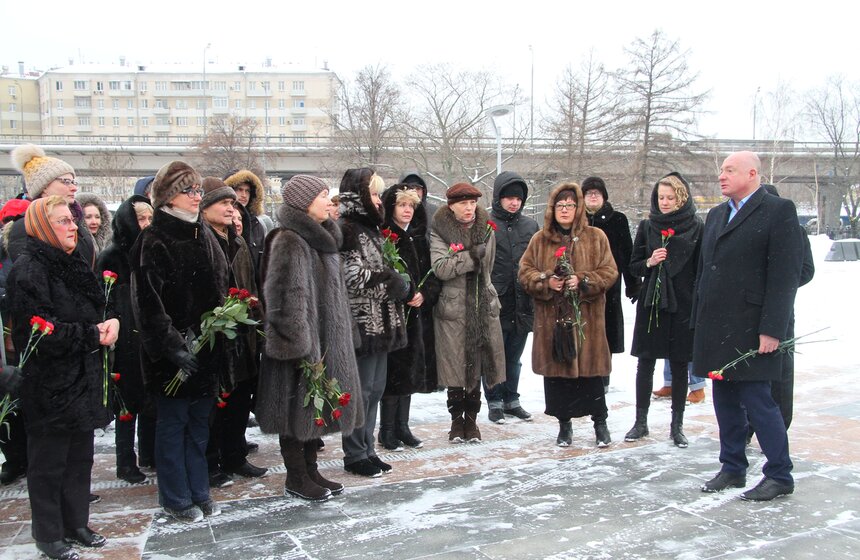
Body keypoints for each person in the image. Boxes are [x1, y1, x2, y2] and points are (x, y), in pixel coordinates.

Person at [7, 196, 117, 560]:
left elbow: (100, 308)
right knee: (49, 463)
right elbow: (39, 331)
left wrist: (111, 322)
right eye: (63, 222)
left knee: (79, 458)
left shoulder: (74, 264)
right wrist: (91, 335)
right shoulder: (29, 269)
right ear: (41, 227)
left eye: (72, 221)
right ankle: (49, 533)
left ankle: (77, 523)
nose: (73, 226)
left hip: (82, 376)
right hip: (50, 384)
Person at [694, 151, 803, 501]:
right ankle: (732, 467)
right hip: (716, 327)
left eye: (730, 170)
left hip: (753, 327)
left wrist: (773, 328)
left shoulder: (778, 211)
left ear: (752, 173)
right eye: (721, 170)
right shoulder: (715, 215)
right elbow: (705, 271)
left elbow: (784, 276)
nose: (722, 176)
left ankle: (779, 473)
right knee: (724, 399)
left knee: (759, 401)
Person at [130, 161, 229, 522]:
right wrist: (173, 346)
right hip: (173, 357)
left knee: (200, 425)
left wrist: (224, 323)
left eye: (197, 190)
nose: (196, 197)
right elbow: (148, 305)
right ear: (169, 198)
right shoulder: (153, 239)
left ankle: (199, 490)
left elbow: (221, 285)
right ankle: (174, 495)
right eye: (189, 191)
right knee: (172, 425)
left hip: (207, 349)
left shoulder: (203, 233)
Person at [256, 174, 363, 501]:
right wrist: (295, 344)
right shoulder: (289, 239)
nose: (330, 203)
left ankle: (311, 470)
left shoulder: (323, 239)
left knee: (312, 408)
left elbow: (335, 295)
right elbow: (285, 297)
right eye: (322, 196)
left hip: (325, 339)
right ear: (304, 202)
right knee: (295, 410)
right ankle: (296, 477)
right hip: (301, 345)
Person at [519, 182, 617, 447]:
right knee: (559, 380)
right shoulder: (540, 239)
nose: (565, 210)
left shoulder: (596, 236)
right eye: (560, 205)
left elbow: (609, 272)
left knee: (592, 378)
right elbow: (525, 271)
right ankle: (564, 426)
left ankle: (600, 424)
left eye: (570, 205)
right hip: (554, 324)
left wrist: (583, 280)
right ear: (553, 208)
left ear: (579, 207)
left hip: (587, 321)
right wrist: (545, 281)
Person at [339, 168, 410, 476]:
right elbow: (352, 277)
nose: (378, 200)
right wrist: (390, 282)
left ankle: (366, 448)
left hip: (382, 323)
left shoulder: (371, 229)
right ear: (358, 197)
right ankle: (354, 453)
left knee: (376, 388)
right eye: (373, 194)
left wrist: (396, 281)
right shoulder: (348, 229)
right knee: (361, 390)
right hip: (363, 323)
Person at [625, 172, 703, 448]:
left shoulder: (696, 226)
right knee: (645, 362)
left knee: (680, 364)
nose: (665, 202)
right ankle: (641, 422)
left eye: (670, 197)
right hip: (653, 303)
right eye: (661, 197)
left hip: (683, 303)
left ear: (681, 198)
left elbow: (701, 268)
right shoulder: (648, 226)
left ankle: (676, 425)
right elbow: (633, 266)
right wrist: (649, 261)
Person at [199, 178, 268, 485]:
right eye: (224, 203)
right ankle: (211, 462)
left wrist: (255, 311)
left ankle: (235, 456)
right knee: (218, 404)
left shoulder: (237, 241)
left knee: (240, 398)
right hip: (217, 332)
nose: (231, 208)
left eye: (233, 204)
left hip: (244, 333)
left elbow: (250, 282)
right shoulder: (202, 239)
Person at [431, 182, 506, 444]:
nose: (469, 208)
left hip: (482, 303)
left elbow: (489, 265)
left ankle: (472, 422)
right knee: (455, 367)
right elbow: (441, 267)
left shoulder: (487, 229)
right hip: (453, 307)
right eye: (463, 203)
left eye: (473, 203)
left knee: (477, 363)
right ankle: (455, 422)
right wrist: (470, 258)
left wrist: (473, 262)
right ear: (451, 206)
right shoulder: (439, 230)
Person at [96, 195, 156, 484]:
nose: (145, 225)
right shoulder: (113, 255)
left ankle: (148, 451)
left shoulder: (153, 251)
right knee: (126, 402)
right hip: (125, 336)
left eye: (149, 219)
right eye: (140, 219)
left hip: (148, 334)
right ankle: (125, 460)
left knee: (150, 396)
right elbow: (105, 299)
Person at [377, 185, 440, 451]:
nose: (407, 211)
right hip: (392, 314)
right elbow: (381, 276)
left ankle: (403, 426)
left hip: (416, 316)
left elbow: (432, 273)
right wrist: (402, 294)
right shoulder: (385, 237)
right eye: (402, 205)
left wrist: (424, 294)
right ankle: (387, 429)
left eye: (411, 206)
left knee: (409, 371)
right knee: (393, 373)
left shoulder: (418, 237)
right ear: (391, 208)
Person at [485, 171, 539, 423]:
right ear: (498, 198)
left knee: (514, 355)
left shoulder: (530, 226)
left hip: (523, 300)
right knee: (494, 354)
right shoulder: (486, 223)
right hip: (496, 299)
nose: (513, 202)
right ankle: (494, 400)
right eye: (508, 197)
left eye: (518, 198)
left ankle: (511, 399)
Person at [581, 177, 640, 394]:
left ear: (604, 196)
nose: (593, 196)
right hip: (582, 286)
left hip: (609, 287)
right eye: (588, 193)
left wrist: (633, 283)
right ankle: (585, 376)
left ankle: (603, 377)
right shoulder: (578, 220)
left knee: (606, 333)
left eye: (597, 193)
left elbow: (627, 253)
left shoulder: (618, 220)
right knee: (583, 332)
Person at [8, 145, 96, 269]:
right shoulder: (26, 225)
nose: (74, 187)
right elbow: (31, 278)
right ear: (43, 187)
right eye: (66, 181)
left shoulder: (77, 219)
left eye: (73, 182)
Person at [0, 198, 30, 486]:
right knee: (9, 405)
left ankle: (26, 457)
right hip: (7, 341)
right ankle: (13, 458)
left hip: (27, 338)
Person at [223, 169, 269, 274]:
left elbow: (261, 265)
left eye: (247, 191)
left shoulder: (258, 225)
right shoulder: (220, 222)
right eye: (239, 189)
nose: (244, 195)